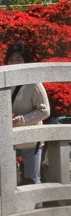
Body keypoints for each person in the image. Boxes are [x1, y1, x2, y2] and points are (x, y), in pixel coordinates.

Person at [5, 42, 49, 184]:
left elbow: (44, 110)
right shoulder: (4, 81)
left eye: (18, 59)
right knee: (9, 181)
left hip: (31, 138)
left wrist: (20, 119)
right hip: (9, 138)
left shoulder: (33, 83)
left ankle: (37, 206)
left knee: (32, 179)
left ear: (26, 61)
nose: (14, 63)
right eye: (11, 59)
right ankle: (13, 207)